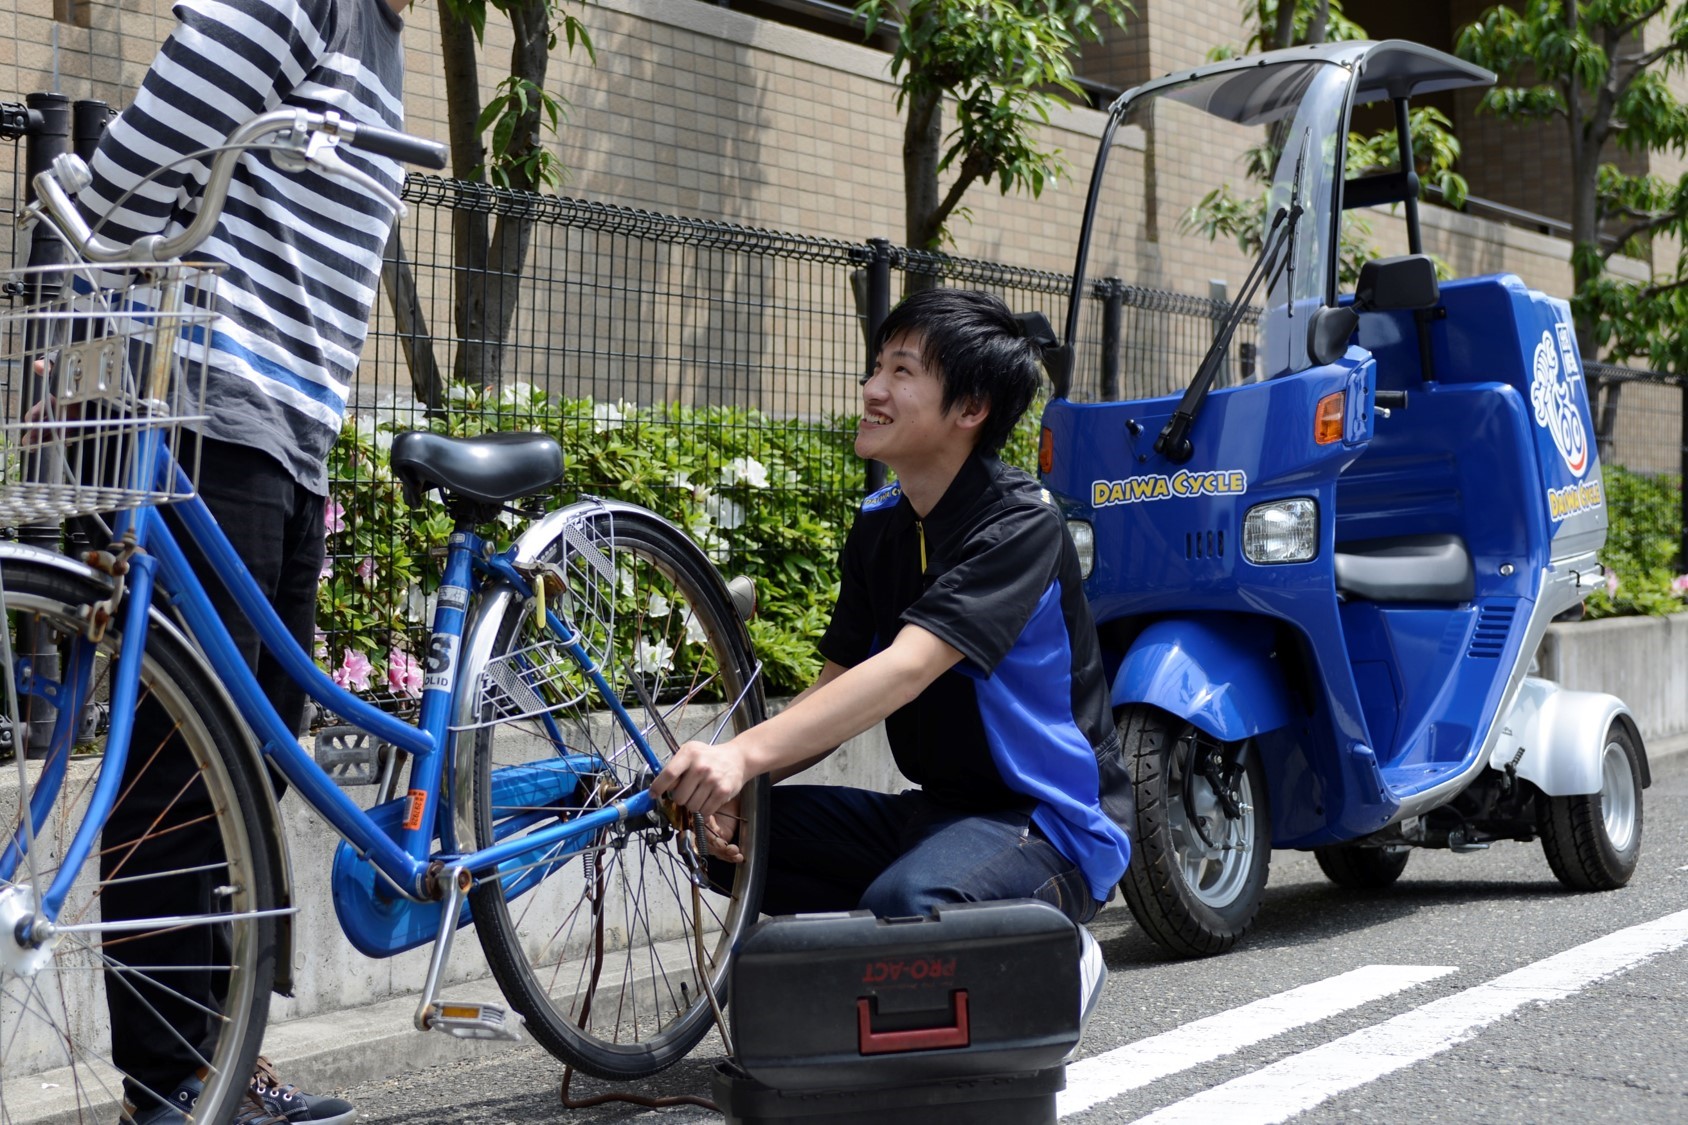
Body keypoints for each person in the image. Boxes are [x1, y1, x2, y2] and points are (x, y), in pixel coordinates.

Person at [75, 0, 410, 1120]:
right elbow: (138, 155)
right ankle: (170, 1086)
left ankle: (219, 1057)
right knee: (186, 767)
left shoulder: (384, 40)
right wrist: (114, 310)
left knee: (249, 765)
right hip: (213, 412)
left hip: (289, 435)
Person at [653, 288, 1129, 1013]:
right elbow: (835, 688)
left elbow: (906, 667)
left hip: (1047, 824)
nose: (872, 389)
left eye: (902, 372)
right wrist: (736, 783)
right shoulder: (880, 524)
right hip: (937, 813)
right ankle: (905, 942)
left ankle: (1055, 949)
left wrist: (742, 755)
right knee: (732, 840)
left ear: (970, 409)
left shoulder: (1020, 526)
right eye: (876, 366)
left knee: (911, 903)